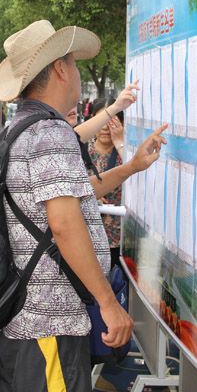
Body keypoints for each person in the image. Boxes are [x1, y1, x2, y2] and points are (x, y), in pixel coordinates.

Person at [0, 20, 166, 391]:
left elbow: (74, 194)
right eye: (73, 64)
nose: (76, 73)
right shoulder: (50, 133)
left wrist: (131, 167)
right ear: (60, 68)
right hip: (49, 325)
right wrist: (108, 302)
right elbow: (64, 224)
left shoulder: (23, 126)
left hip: (33, 324)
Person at [87, 98, 125, 266]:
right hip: (85, 237)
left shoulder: (127, 153)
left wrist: (120, 143)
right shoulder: (79, 151)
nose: (104, 127)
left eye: (110, 121)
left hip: (117, 238)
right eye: (100, 120)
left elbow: (138, 176)